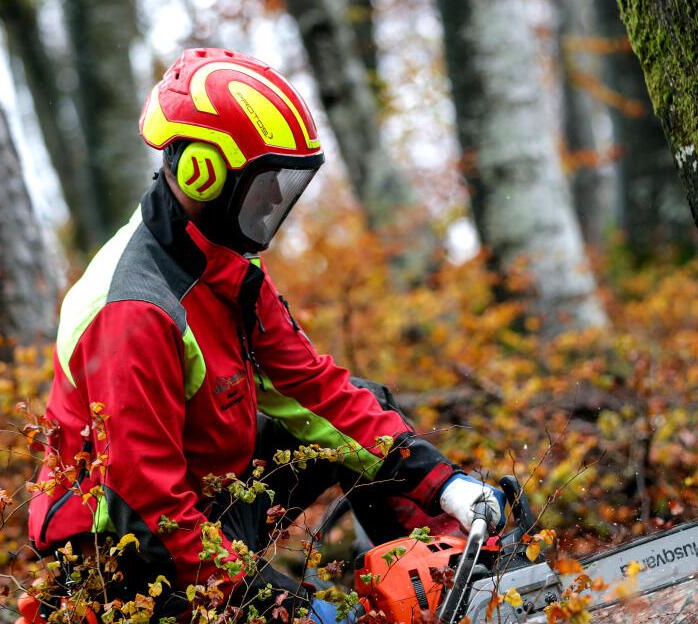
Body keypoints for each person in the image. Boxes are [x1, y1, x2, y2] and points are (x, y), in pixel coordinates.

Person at [25, 48, 504, 623]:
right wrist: (291, 608)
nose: (275, 199)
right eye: (264, 182)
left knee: (363, 403)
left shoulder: (223, 262)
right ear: (203, 173)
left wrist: (444, 484)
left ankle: (449, 575)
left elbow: (312, 390)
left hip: (212, 495)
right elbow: (151, 512)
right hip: (134, 563)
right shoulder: (132, 311)